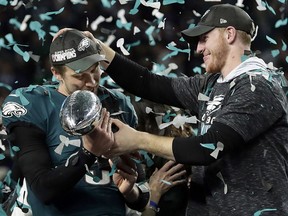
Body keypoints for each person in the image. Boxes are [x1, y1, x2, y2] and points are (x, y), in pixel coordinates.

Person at [56, 3, 288, 215]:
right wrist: (96, 48)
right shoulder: (211, 84)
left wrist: (137, 139)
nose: (199, 48)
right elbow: (147, 83)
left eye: (205, 38)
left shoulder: (258, 85)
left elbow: (207, 149)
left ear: (229, 34)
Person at [1, 29, 149, 216]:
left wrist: (130, 192)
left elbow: (143, 194)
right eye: (80, 76)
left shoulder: (118, 103)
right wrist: (88, 153)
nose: (91, 82)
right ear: (56, 73)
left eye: (95, 70)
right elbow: (43, 189)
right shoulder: (33, 103)